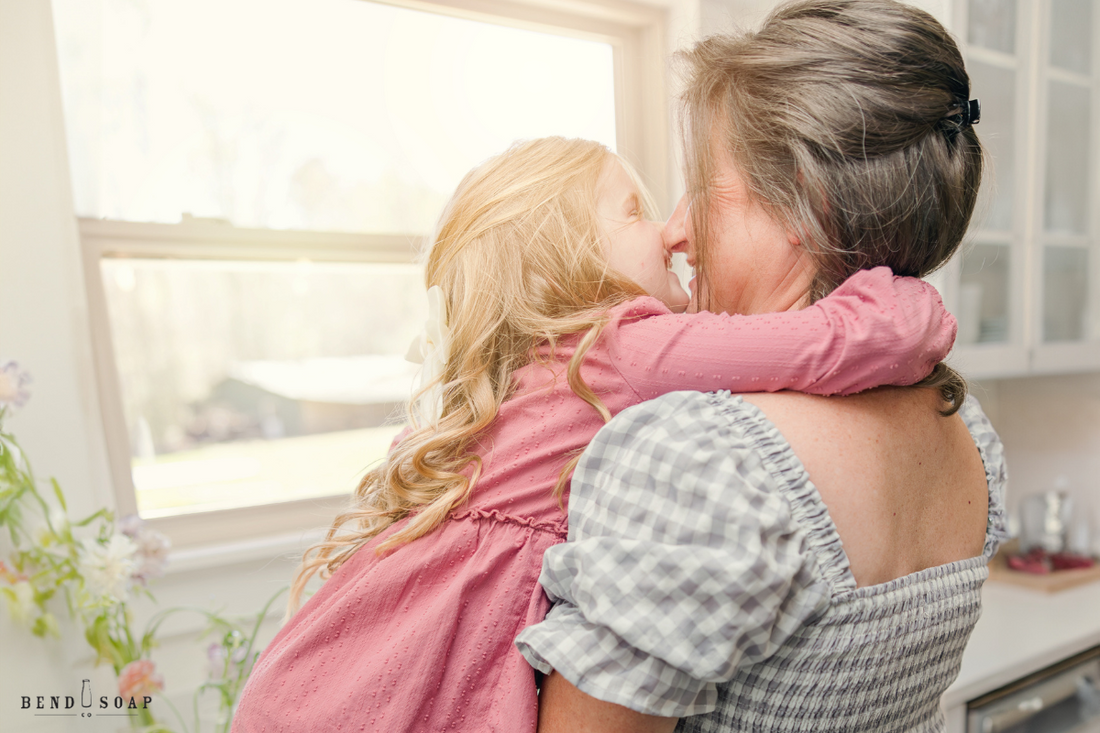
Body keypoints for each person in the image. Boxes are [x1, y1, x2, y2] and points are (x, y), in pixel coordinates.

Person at [231, 136, 954, 733]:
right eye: (634, 210)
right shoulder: (623, 349)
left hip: (341, 672)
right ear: (566, 254)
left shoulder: (528, 367)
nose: (667, 231)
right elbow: (830, 342)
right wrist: (915, 301)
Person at [515, 2, 1008, 732]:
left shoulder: (698, 456)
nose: (676, 229)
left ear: (804, 207)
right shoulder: (967, 431)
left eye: (704, 190)